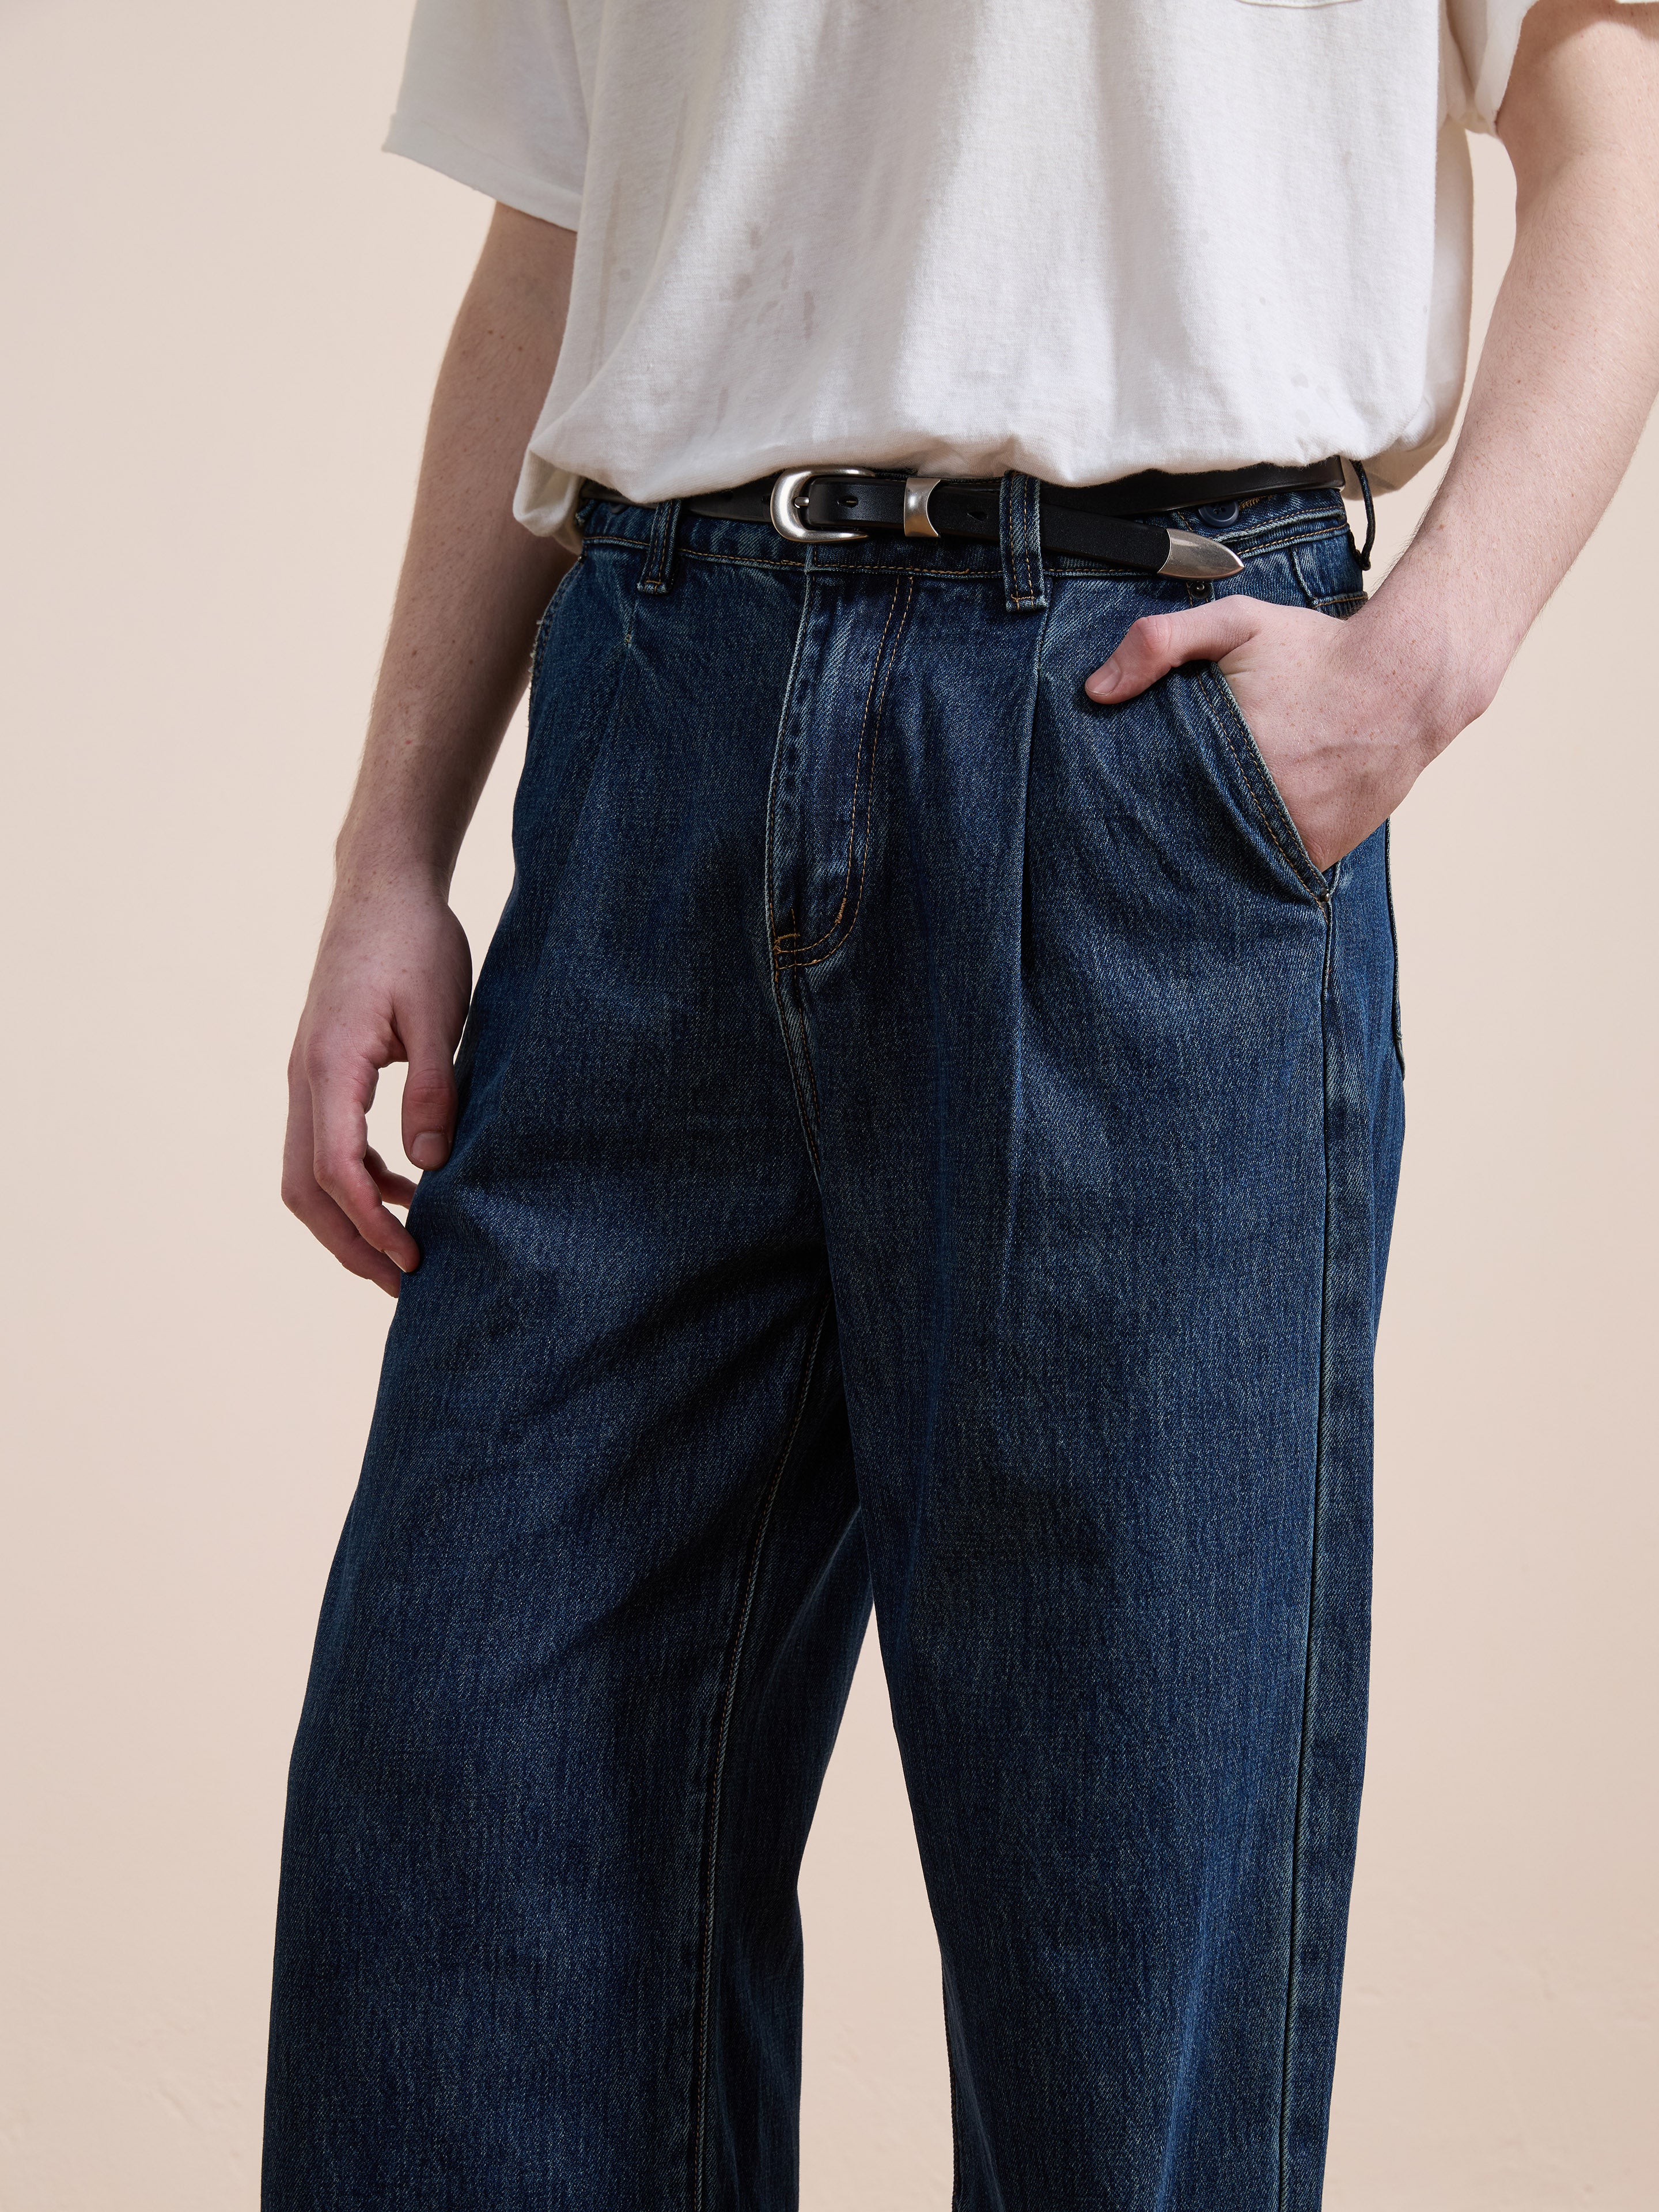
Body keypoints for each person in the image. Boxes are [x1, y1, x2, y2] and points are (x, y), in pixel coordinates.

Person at [266, 3, 1659, 2205]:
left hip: (1128, 741)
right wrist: (387, 856)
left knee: (1118, 1972)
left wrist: (1425, 662)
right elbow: (566, 230)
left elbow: (1615, 119)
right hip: (656, 738)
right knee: (462, 1881)